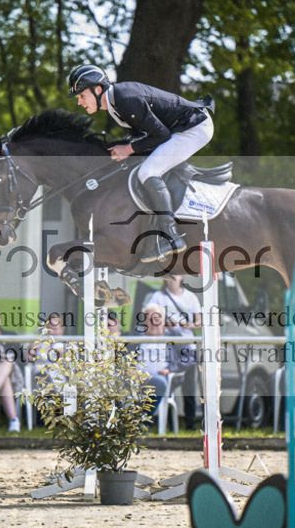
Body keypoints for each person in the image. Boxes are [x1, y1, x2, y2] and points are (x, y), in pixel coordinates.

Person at [67, 64, 215, 263]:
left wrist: (128, 149)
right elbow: (143, 136)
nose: (79, 102)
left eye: (81, 96)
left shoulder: (125, 100)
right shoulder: (116, 103)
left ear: (98, 89)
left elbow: (160, 135)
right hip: (178, 128)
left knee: (148, 171)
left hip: (194, 128)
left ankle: (171, 236)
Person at [143, 275, 202, 429]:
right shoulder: (158, 296)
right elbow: (150, 317)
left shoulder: (191, 297)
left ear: (181, 277)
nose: (171, 279)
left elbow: (199, 322)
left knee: (189, 388)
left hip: (187, 345)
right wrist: (167, 324)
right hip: (168, 341)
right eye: (168, 276)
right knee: (169, 387)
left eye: (174, 275)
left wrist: (186, 325)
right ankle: (169, 423)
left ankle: (190, 424)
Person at [133, 304, 188, 428]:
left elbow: (189, 358)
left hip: (160, 379)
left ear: (163, 321)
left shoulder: (174, 338)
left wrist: (170, 369)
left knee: (158, 382)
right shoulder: (136, 338)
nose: (153, 323)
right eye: (149, 319)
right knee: (117, 381)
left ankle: (144, 423)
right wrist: (130, 370)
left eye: (157, 319)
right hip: (134, 380)